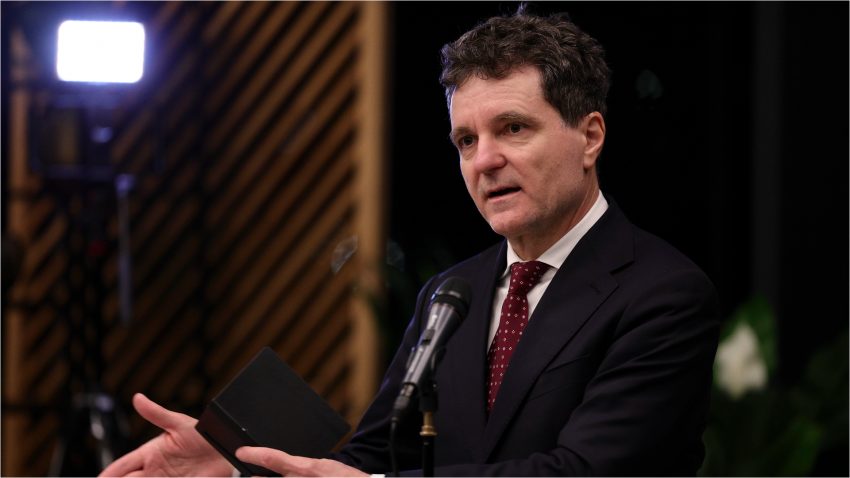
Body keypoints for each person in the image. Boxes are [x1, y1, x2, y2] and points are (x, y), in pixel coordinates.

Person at [101, 8, 719, 477]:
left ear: (590, 137)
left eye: (512, 128)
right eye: (466, 141)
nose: (485, 160)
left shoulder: (662, 294)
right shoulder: (452, 293)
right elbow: (377, 457)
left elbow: (582, 471)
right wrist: (240, 464)